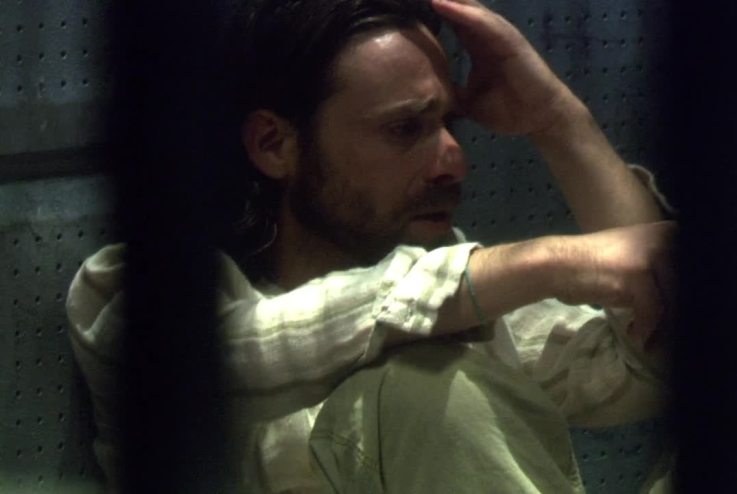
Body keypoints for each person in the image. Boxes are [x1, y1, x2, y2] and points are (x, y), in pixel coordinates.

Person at [66, 0, 676, 492]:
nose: (455, 160)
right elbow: (257, 354)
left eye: (450, 126)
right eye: (406, 128)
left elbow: (651, 368)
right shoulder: (129, 291)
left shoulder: (457, 299)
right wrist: (548, 263)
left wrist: (558, 120)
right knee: (422, 390)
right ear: (274, 144)